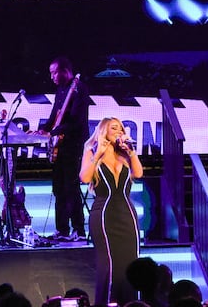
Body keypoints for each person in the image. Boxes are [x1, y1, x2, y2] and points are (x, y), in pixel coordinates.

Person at [79, 117, 143, 306]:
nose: (119, 131)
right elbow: (85, 178)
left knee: (131, 261)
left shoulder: (125, 153)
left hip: (127, 215)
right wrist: (98, 154)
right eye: (114, 128)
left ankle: (131, 303)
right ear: (103, 131)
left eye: (120, 128)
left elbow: (138, 173)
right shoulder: (91, 150)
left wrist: (131, 152)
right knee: (109, 264)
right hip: (104, 215)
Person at [36, 57, 90, 241]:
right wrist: (43, 130)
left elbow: (76, 121)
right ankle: (62, 229)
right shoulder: (60, 90)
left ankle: (79, 230)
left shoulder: (79, 89)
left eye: (54, 72)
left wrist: (53, 132)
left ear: (65, 71)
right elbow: (55, 115)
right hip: (60, 144)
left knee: (71, 187)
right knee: (58, 187)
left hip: (73, 144)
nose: (51, 77)